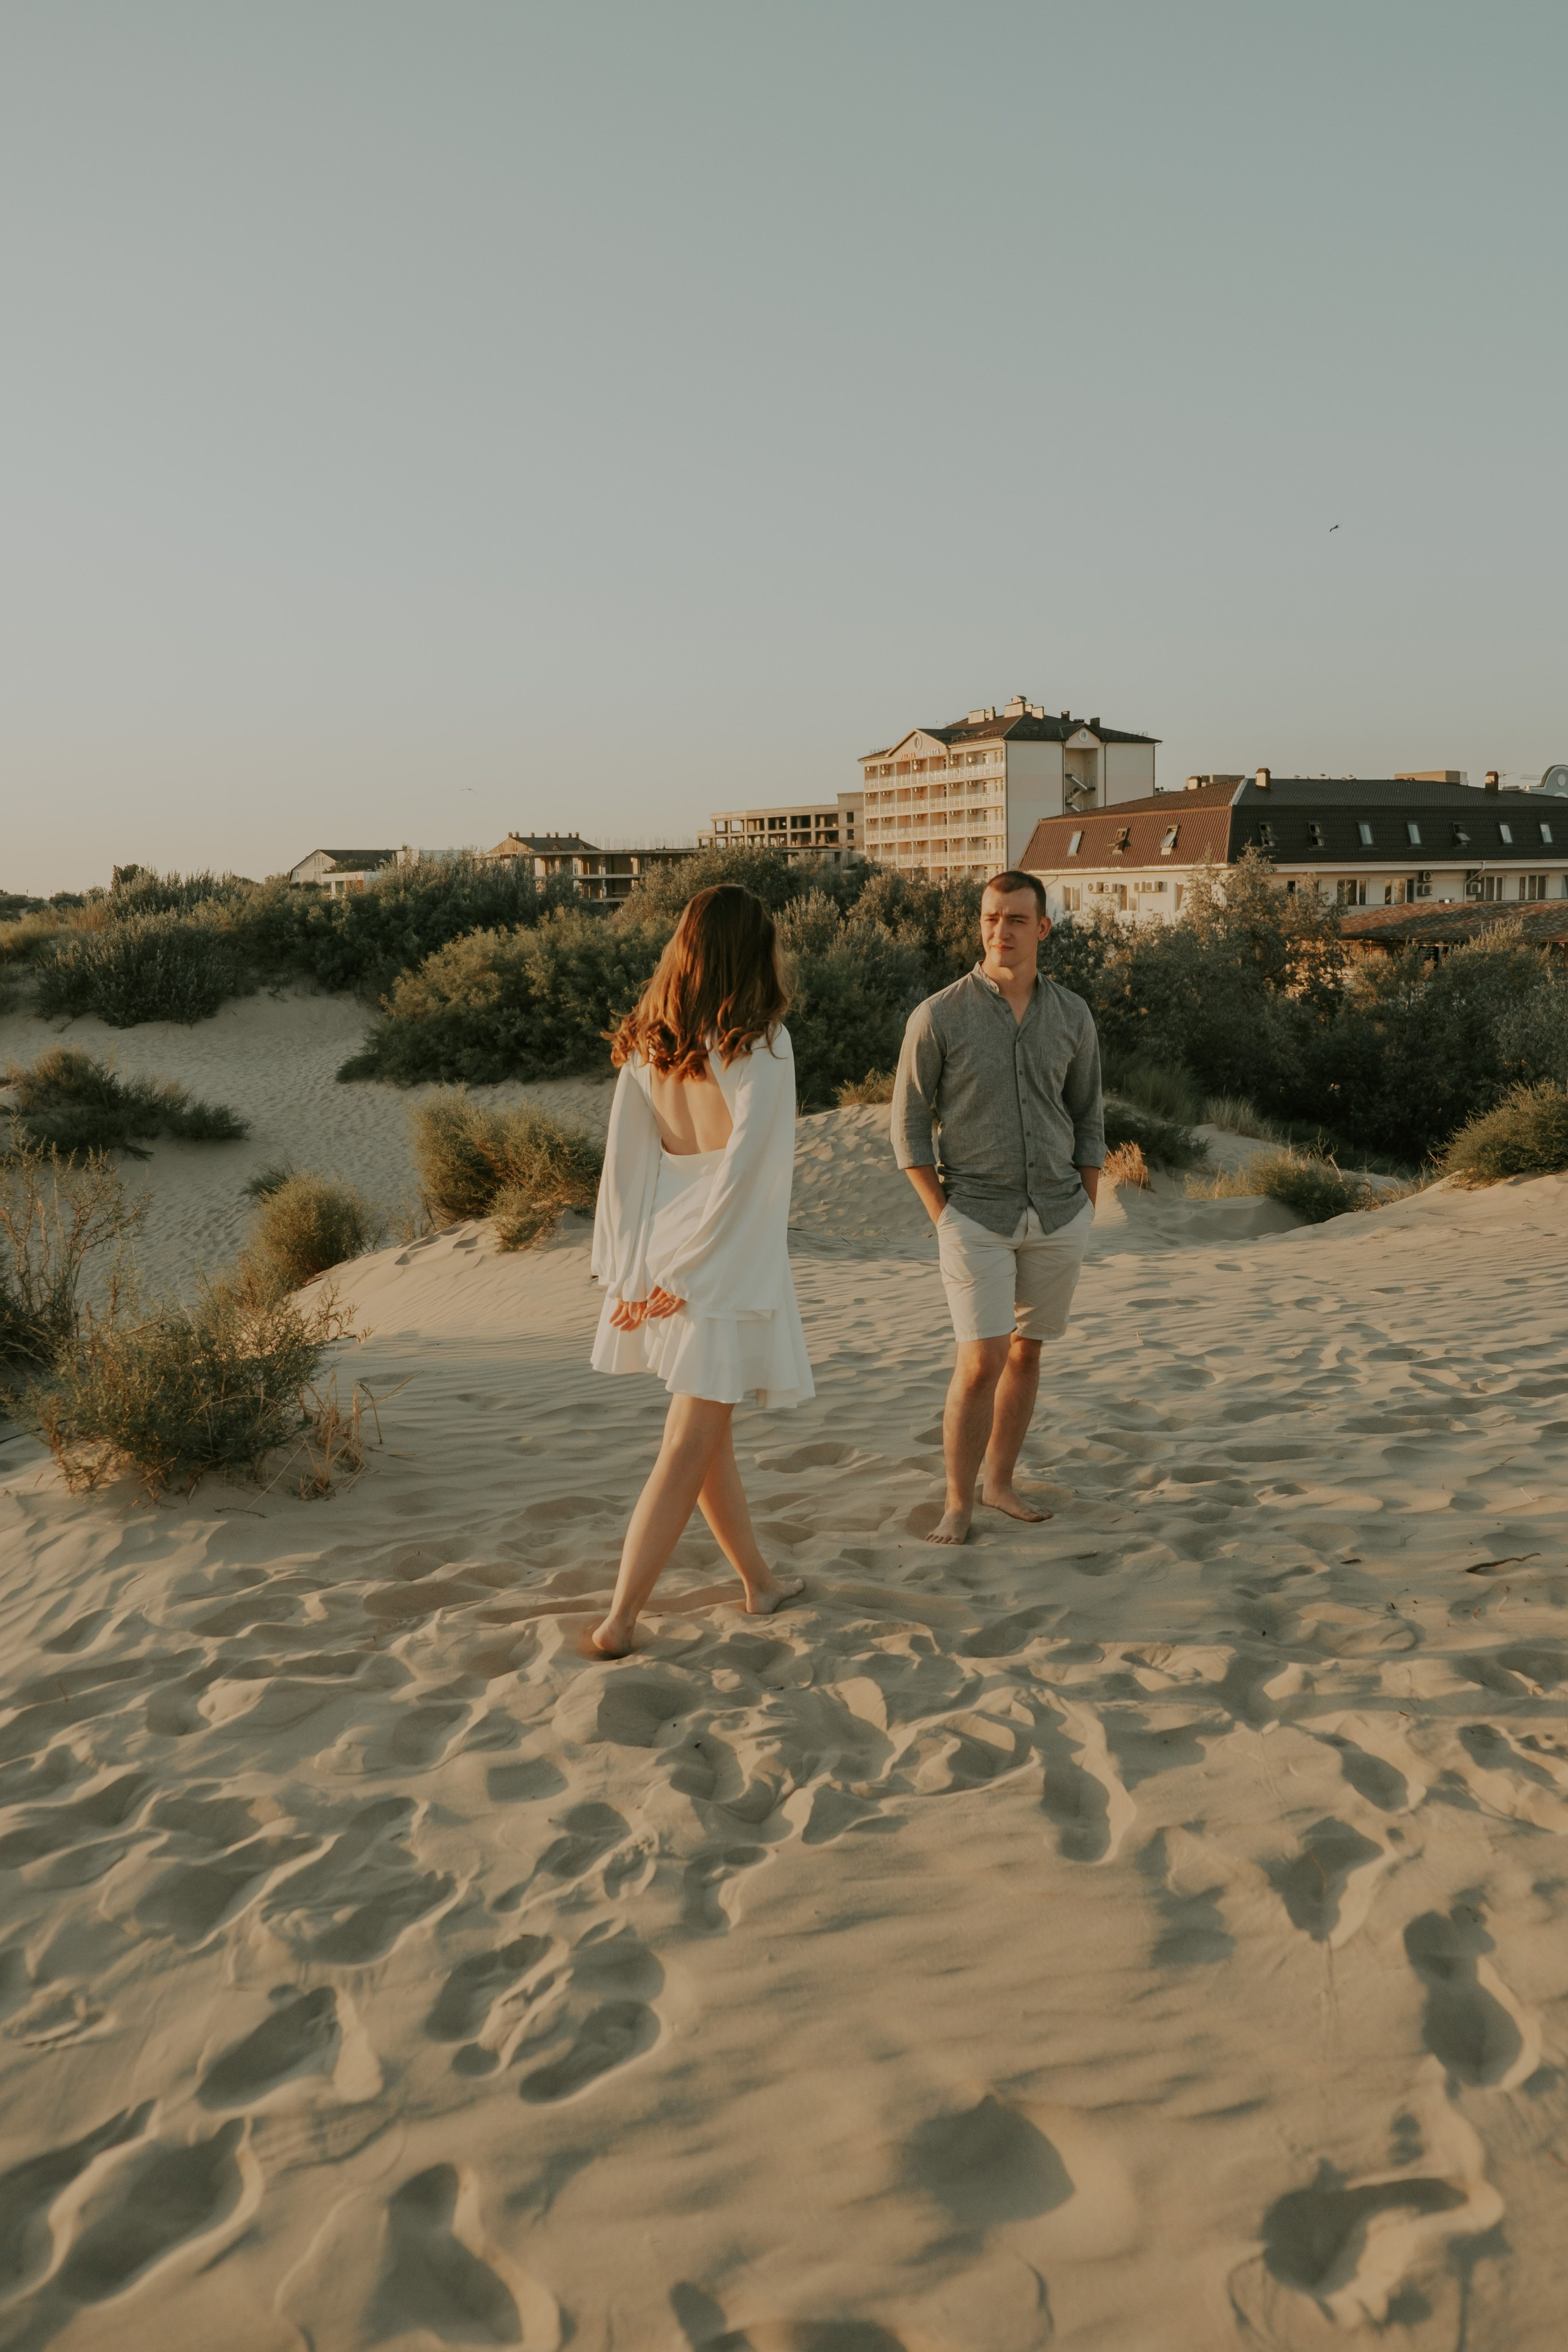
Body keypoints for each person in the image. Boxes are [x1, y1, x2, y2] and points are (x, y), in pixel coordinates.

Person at [588, 884, 811, 1656]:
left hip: (666, 1245)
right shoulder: (761, 1043)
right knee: (689, 1440)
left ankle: (760, 1582)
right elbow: (749, 1172)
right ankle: (620, 1619)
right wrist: (679, 1273)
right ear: (755, 950)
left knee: (707, 1431)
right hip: (717, 1256)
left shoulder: (652, 1040)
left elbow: (622, 1169)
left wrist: (627, 1268)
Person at [891, 869, 1104, 1545]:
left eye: (1015, 919)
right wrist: (941, 1213)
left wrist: (1086, 1207)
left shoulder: (1072, 1014)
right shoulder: (938, 1015)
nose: (1000, 931)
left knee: (1026, 1356)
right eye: (990, 918)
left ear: (1042, 927)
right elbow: (907, 1127)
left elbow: (1088, 1115)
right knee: (979, 1361)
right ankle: (958, 1501)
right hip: (974, 1214)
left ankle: (1000, 1483)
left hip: (1058, 1213)